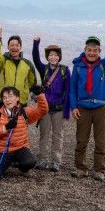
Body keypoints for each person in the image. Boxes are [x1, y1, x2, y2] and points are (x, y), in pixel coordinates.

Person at [69, 21, 105, 182]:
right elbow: (72, 89)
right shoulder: (78, 67)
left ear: (99, 52)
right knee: (81, 140)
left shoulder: (103, 65)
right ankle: (80, 168)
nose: (92, 53)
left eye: (95, 50)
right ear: (84, 50)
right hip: (83, 108)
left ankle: (99, 170)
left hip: (100, 108)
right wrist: (73, 107)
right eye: (89, 50)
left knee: (101, 141)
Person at [0, 85, 48, 179]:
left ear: (17, 98)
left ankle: (19, 165)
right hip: (4, 150)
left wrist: (40, 95)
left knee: (30, 162)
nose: (7, 100)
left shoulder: (24, 112)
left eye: (10, 96)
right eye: (4, 98)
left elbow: (42, 111)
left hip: (21, 147)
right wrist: (6, 127)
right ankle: (9, 162)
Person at [31, 38, 71, 172]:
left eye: (55, 55)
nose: (53, 57)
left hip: (59, 109)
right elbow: (36, 59)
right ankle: (42, 160)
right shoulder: (44, 69)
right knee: (44, 135)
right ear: (47, 57)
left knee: (58, 136)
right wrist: (36, 44)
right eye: (50, 55)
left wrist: (66, 111)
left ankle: (55, 162)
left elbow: (68, 90)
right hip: (45, 109)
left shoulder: (65, 70)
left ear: (59, 56)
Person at [0, 27, 37, 105]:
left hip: (21, 102)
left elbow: (32, 82)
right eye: (12, 45)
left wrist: (24, 91)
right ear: (8, 47)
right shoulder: (3, 61)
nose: (14, 47)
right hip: (5, 101)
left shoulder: (27, 64)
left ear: (20, 47)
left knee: (20, 118)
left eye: (17, 45)